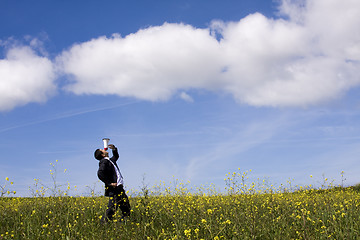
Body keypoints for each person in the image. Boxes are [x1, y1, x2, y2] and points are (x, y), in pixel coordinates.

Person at [94, 144, 131, 223]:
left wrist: (114, 149)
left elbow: (116, 156)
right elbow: (100, 173)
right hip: (114, 190)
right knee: (111, 210)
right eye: (102, 150)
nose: (104, 149)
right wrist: (109, 183)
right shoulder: (104, 162)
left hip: (119, 188)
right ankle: (102, 225)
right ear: (102, 154)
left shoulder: (110, 160)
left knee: (126, 209)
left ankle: (121, 225)